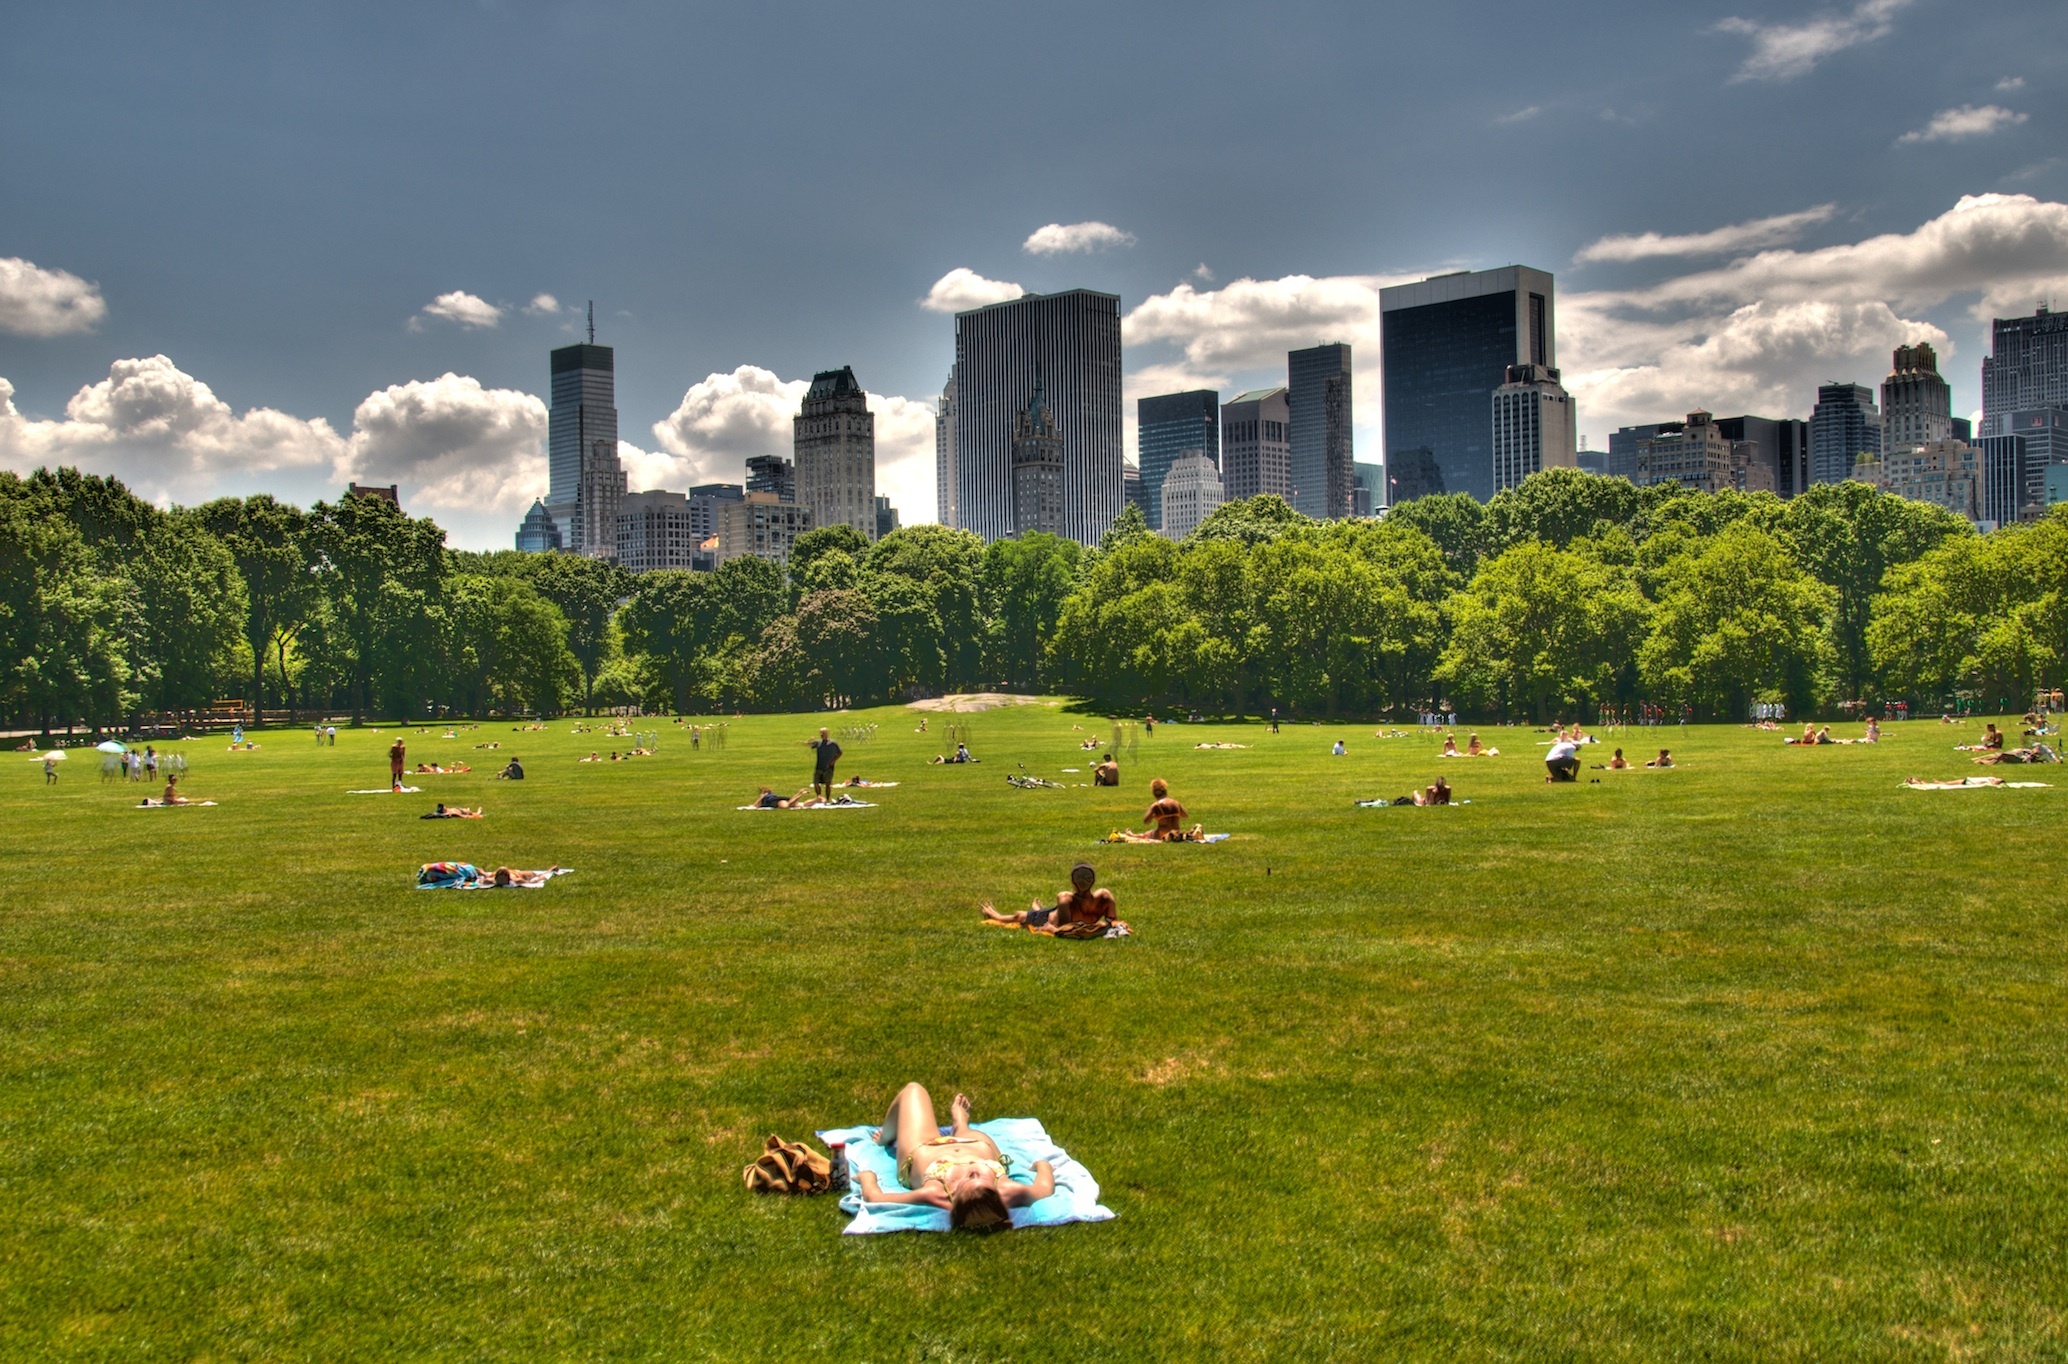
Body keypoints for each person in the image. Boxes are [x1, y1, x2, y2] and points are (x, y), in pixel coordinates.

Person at [853, 1085, 1054, 1230]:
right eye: (981, 1180)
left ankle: (886, 1137)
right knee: (968, 1135)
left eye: (967, 1181)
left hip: (925, 1145)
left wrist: (867, 1177)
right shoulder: (1009, 1190)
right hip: (974, 1145)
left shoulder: (934, 1194)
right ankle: (960, 1126)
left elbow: (876, 1198)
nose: (973, 1172)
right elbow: (1043, 1188)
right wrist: (1042, 1165)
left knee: (913, 1091)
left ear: (953, 1197)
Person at [982, 862, 1118, 935]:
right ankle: (996, 916)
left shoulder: (1105, 896)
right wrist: (1050, 929)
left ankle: (1037, 909)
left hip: (1056, 914)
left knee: (1039, 912)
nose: (1084, 881)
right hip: (1047, 919)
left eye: (1087, 877)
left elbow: (1113, 922)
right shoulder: (1065, 899)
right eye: (1081, 878)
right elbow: (1064, 928)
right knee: (1019, 916)